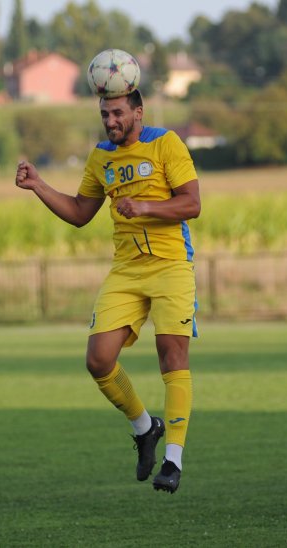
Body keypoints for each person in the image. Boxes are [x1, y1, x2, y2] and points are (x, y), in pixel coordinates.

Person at [15, 88, 200, 494]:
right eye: (104, 114)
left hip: (171, 265)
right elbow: (81, 212)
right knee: (98, 360)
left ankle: (173, 459)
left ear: (138, 112)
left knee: (172, 354)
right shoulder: (101, 156)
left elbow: (192, 204)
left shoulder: (166, 143)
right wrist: (39, 186)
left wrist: (146, 207)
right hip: (127, 270)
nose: (110, 121)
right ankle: (144, 427)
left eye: (117, 112)